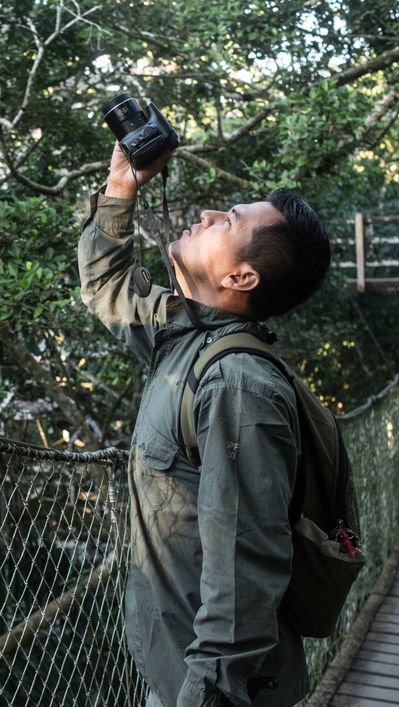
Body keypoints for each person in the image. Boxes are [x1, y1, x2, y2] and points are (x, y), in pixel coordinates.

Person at [78, 143, 331, 707]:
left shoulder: (237, 386)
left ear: (241, 277)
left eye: (231, 219)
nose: (211, 214)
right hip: (178, 677)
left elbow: (245, 573)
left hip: (218, 693)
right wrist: (122, 186)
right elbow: (107, 289)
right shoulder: (188, 336)